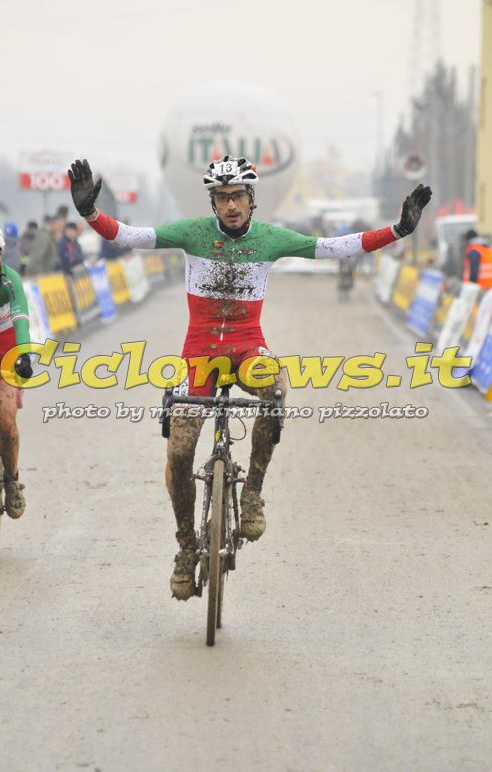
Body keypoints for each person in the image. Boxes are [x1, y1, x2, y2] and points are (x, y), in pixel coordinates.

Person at [68, 157, 432, 601]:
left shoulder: (271, 238)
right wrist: (89, 213)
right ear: (213, 203)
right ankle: (186, 549)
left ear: (252, 199)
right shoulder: (192, 233)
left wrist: (397, 231)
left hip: (246, 348)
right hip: (198, 355)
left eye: (239, 195)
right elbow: (130, 236)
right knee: (179, 456)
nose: (231, 205)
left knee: (275, 389)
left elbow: (336, 246)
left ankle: (253, 492)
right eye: (222, 198)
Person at [0, 222, 34, 518]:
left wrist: (24, 355)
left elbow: (21, 317)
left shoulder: (10, 281)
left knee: (3, 415)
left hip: (6, 351)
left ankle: (11, 482)